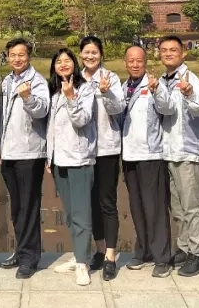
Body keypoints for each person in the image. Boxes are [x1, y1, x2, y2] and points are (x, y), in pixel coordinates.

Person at [120, 44, 176, 278]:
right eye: (131, 61)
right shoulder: (123, 87)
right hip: (129, 154)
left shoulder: (154, 84)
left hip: (151, 154)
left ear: (145, 63)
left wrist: (157, 91)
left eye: (139, 61)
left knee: (155, 207)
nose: (135, 65)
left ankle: (162, 257)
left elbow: (168, 108)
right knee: (137, 206)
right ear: (125, 63)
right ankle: (143, 251)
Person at [156, 34, 199, 278]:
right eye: (164, 50)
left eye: (173, 50)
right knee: (177, 207)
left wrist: (188, 94)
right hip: (169, 152)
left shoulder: (190, 78)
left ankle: (197, 253)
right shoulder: (161, 80)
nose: (168, 54)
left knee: (192, 206)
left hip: (188, 151)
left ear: (183, 53)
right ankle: (185, 247)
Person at [0, 38, 50, 279]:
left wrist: (28, 97)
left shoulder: (37, 81)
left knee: (29, 206)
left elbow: (42, 110)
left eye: (21, 54)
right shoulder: (7, 81)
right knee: (17, 207)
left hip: (30, 153)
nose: (17, 59)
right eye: (13, 55)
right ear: (7, 57)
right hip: (9, 152)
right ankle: (21, 250)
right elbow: (2, 117)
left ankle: (30, 258)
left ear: (28, 56)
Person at [47, 48, 96, 287]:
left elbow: (82, 119)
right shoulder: (53, 91)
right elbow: (51, 127)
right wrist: (49, 157)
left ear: (75, 65)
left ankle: (83, 264)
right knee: (69, 213)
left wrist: (70, 97)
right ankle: (79, 255)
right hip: (59, 161)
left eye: (67, 60)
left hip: (78, 160)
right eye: (59, 61)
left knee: (81, 215)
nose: (63, 64)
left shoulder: (84, 89)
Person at [77, 35, 125, 281]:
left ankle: (110, 255)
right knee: (90, 202)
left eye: (94, 52)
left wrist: (105, 93)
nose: (90, 56)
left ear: (101, 54)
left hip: (106, 149)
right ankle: (98, 249)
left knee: (107, 202)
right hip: (83, 151)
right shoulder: (75, 79)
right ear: (80, 54)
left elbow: (118, 109)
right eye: (86, 52)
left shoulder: (111, 78)